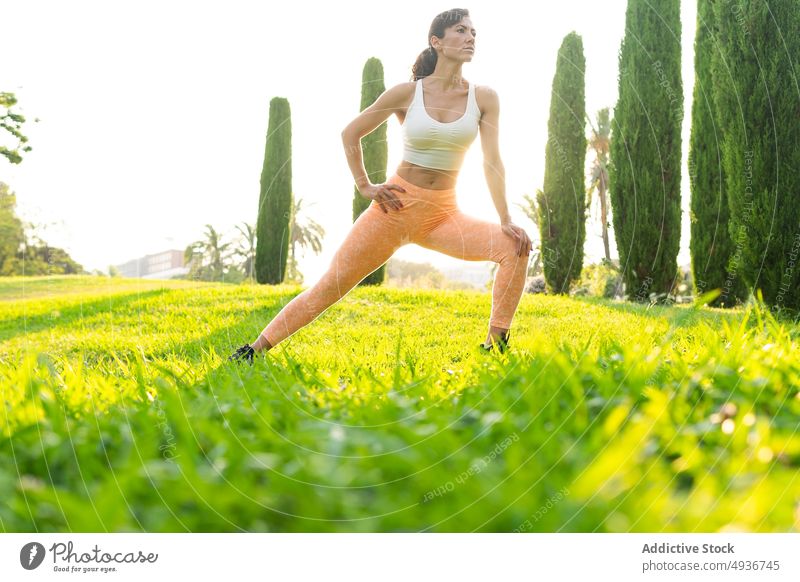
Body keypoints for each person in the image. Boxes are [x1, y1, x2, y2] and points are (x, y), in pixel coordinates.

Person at [229, 7, 532, 366]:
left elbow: (492, 161)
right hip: (393, 210)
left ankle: (495, 347)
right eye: (461, 31)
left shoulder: (484, 97)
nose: (471, 38)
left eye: (474, 33)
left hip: (443, 216)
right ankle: (254, 350)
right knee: (330, 286)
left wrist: (505, 217)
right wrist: (365, 185)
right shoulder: (407, 93)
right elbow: (350, 133)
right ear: (437, 42)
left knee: (514, 248)